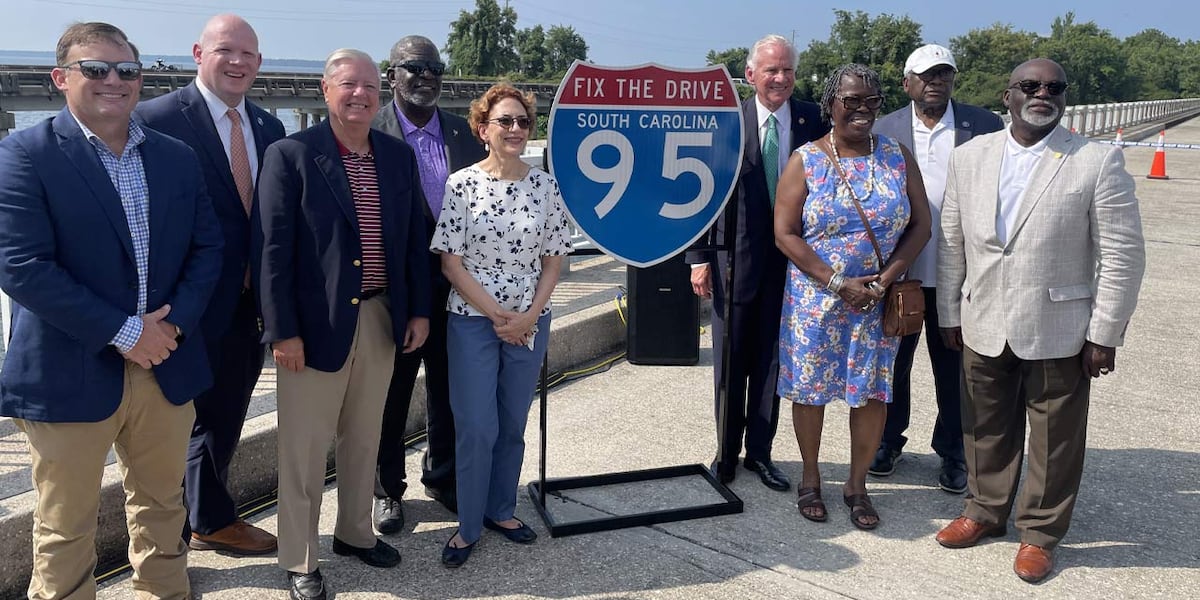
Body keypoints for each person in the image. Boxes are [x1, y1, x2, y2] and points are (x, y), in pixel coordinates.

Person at [0, 22, 223, 599]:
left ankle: (165, 592)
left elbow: (208, 247)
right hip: (68, 368)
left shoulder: (175, 157)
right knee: (64, 523)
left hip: (166, 363)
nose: (114, 81)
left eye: (127, 70)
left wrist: (169, 328)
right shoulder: (23, 154)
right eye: (95, 69)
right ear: (60, 79)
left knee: (162, 504)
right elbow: (22, 266)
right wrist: (126, 332)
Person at [934, 58, 1145, 583]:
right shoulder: (971, 156)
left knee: (1056, 438)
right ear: (1008, 95)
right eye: (1030, 85)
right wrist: (949, 312)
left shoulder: (1096, 160)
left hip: (1060, 326)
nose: (1042, 94)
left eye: (1054, 87)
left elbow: (1123, 254)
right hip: (983, 317)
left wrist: (1105, 332)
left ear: (1064, 97)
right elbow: (952, 243)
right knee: (983, 427)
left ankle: (1040, 534)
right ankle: (984, 510)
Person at [255, 48, 431, 600]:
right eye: (348, 85)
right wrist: (282, 331)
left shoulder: (397, 158)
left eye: (370, 86)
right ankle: (300, 559)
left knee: (366, 435)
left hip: (382, 316)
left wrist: (419, 309)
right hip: (312, 325)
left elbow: (412, 243)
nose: (360, 94)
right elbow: (272, 250)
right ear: (325, 91)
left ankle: (355, 532)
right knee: (304, 448)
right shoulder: (291, 155)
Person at [136, 13, 285, 555]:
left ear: (259, 63)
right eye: (226, 50)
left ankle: (211, 516)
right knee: (171, 426)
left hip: (246, 305)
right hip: (178, 306)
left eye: (248, 53)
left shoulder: (269, 127)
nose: (238, 61)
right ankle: (165, 544)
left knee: (226, 416)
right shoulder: (154, 117)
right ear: (198, 53)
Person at [773, 63, 931, 530]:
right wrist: (837, 281)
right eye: (851, 101)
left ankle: (857, 485)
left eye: (871, 101)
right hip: (815, 299)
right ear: (831, 105)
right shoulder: (807, 160)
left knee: (872, 394)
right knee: (810, 390)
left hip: (877, 299)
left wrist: (885, 279)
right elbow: (785, 233)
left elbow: (921, 224)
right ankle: (810, 478)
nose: (862, 110)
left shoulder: (898, 156)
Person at [431, 83, 573, 568]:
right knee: (475, 426)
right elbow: (451, 262)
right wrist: (497, 315)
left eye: (523, 122)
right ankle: (468, 525)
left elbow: (554, 259)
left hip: (530, 321)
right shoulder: (461, 184)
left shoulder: (546, 186)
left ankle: (501, 510)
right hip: (473, 320)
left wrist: (530, 316)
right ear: (482, 129)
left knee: (512, 423)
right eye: (505, 122)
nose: (515, 130)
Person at [686, 34, 827, 491]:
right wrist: (698, 258)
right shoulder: (728, 122)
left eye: (787, 70)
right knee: (731, 362)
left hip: (793, 265)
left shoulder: (813, 120)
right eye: (771, 70)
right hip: (732, 261)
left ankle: (760, 454)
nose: (780, 78)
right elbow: (700, 194)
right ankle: (725, 454)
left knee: (771, 363)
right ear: (750, 76)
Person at [868, 44, 1004, 493]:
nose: (936, 82)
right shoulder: (883, 127)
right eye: (926, 75)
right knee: (894, 367)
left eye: (944, 74)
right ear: (907, 82)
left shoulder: (984, 126)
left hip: (958, 274)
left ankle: (953, 452)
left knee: (955, 371)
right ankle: (888, 440)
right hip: (901, 272)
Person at [371, 34, 487, 531]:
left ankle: (442, 477)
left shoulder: (464, 133)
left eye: (434, 68)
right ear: (391, 74)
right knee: (390, 394)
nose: (425, 77)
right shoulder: (370, 132)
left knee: (450, 390)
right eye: (412, 67)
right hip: (394, 292)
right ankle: (386, 489)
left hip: (457, 288)